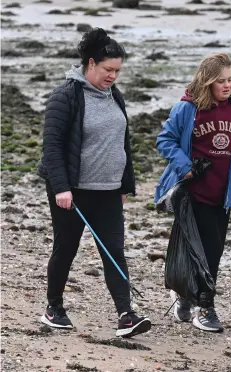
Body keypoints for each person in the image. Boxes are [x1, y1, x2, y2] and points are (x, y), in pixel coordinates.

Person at [37, 28, 151, 338]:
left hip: (109, 191)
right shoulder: (66, 95)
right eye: (108, 69)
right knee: (66, 248)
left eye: (117, 70)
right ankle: (54, 308)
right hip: (72, 191)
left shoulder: (115, 95)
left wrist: (125, 185)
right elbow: (52, 146)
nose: (113, 76)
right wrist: (61, 188)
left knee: (113, 249)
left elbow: (121, 143)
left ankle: (126, 315)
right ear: (90, 63)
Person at [155, 53, 231, 332]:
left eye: (230, 79)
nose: (227, 85)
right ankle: (205, 308)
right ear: (207, 82)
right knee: (204, 252)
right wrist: (184, 166)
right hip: (192, 195)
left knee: (211, 250)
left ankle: (185, 299)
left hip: (221, 197)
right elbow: (165, 140)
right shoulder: (187, 109)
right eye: (220, 81)